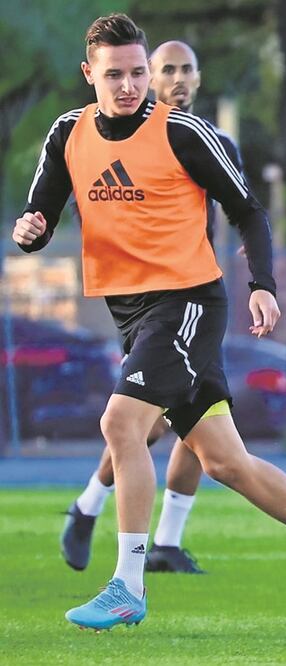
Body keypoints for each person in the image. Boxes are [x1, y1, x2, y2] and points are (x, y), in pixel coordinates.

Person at [14, 14, 286, 631]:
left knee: (120, 422)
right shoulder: (67, 134)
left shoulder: (182, 132)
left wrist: (263, 285)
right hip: (131, 313)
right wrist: (30, 231)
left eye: (138, 73)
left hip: (187, 302)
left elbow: (249, 210)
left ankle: (127, 584)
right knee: (224, 463)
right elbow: (41, 214)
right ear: (89, 75)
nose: (129, 86)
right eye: (115, 75)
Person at [60, 40, 242, 576]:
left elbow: (239, 209)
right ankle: (91, 508)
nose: (177, 78)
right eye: (166, 69)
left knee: (198, 419)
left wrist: (255, 273)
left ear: (199, 77)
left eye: (187, 68)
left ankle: (164, 541)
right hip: (145, 300)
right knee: (147, 419)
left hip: (194, 295)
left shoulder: (212, 141)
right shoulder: (119, 138)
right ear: (149, 79)